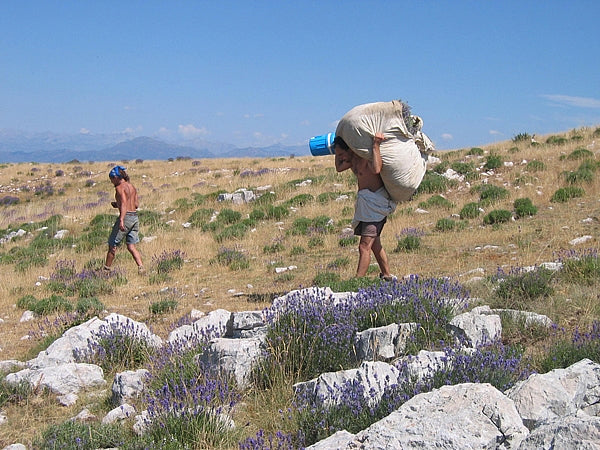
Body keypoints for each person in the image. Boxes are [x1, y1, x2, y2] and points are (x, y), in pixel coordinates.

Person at [334, 133, 397, 280]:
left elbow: (376, 169)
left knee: (364, 246)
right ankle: (387, 276)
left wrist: (375, 145)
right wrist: (336, 152)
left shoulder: (365, 158)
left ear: (350, 149)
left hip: (376, 205)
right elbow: (339, 167)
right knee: (375, 244)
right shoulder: (352, 161)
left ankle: (358, 282)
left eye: (342, 153)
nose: (341, 157)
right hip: (366, 207)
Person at [103, 165, 145, 274]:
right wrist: (118, 204)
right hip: (134, 217)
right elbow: (135, 204)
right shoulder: (132, 187)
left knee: (113, 244)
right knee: (131, 246)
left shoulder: (119, 188)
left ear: (116, 177)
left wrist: (121, 219)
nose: (111, 182)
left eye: (112, 179)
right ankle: (141, 267)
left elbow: (125, 204)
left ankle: (106, 270)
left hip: (126, 218)